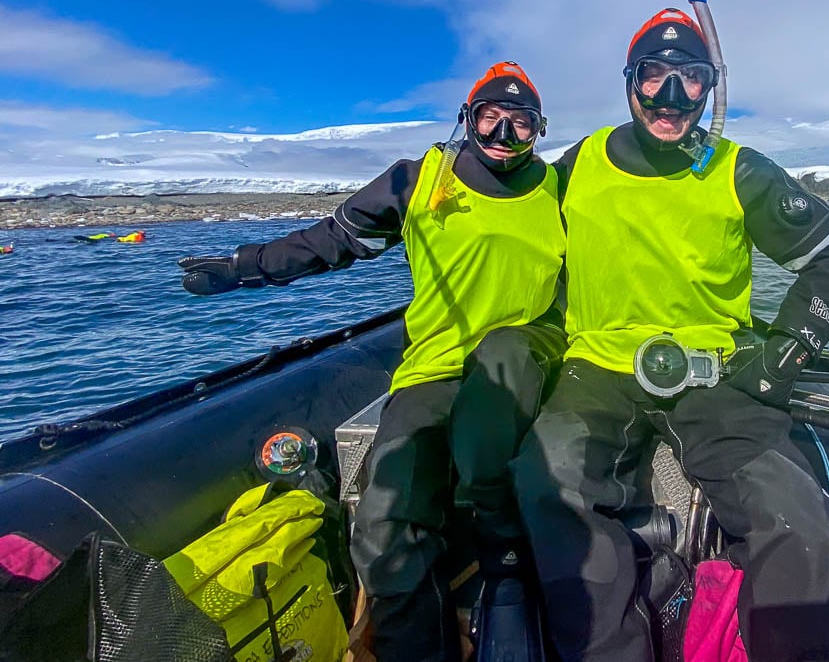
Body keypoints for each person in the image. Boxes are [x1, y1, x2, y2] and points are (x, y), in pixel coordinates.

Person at [177, 62, 567, 662]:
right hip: (435, 368)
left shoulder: (559, 188)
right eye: (491, 117)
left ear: (539, 130)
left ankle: (514, 578)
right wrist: (243, 266)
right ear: (467, 119)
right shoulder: (420, 181)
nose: (505, 134)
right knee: (386, 519)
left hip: (529, 360)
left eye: (521, 124)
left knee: (503, 375)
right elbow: (331, 241)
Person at [513, 5, 829, 661]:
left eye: (690, 79)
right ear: (629, 80)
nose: (671, 96)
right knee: (546, 483)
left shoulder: (737, 169)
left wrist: (780, 361)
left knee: (793, 519)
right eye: (654, 75)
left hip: (716, 376)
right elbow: (508, 220)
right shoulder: (580, 165)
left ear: (709, 86)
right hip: (599, 372)